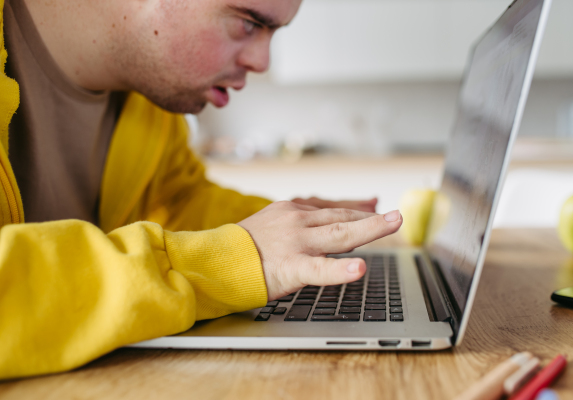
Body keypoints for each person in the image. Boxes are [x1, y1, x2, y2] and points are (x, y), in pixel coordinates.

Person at [0, 0, 402, 379]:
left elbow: (176, 201)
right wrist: (231, 262)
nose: (262, 62)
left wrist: (293, 229)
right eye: (249, 22)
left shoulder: (148, 104)